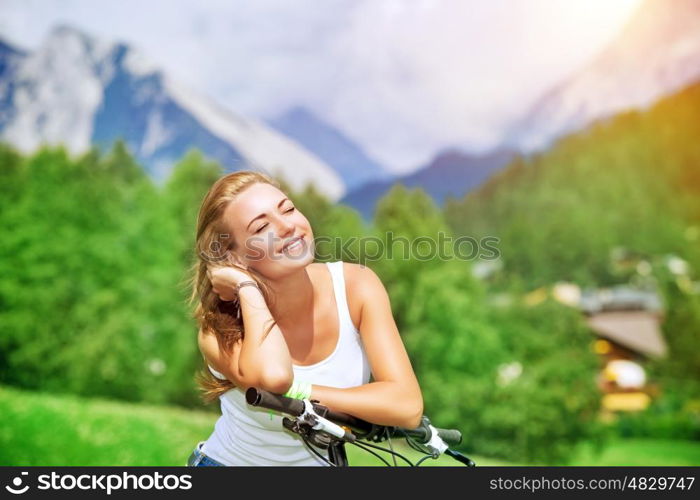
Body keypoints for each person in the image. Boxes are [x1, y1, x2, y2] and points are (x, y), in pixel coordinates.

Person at [186, 170, 423, 466]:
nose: (287, 226)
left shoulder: (356, 286)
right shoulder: (219, 329)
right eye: (261, 227)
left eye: (288, 209)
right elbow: (274, 378)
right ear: (233, 258)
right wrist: (246, 287)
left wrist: (303, 393)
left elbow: (406, 405)